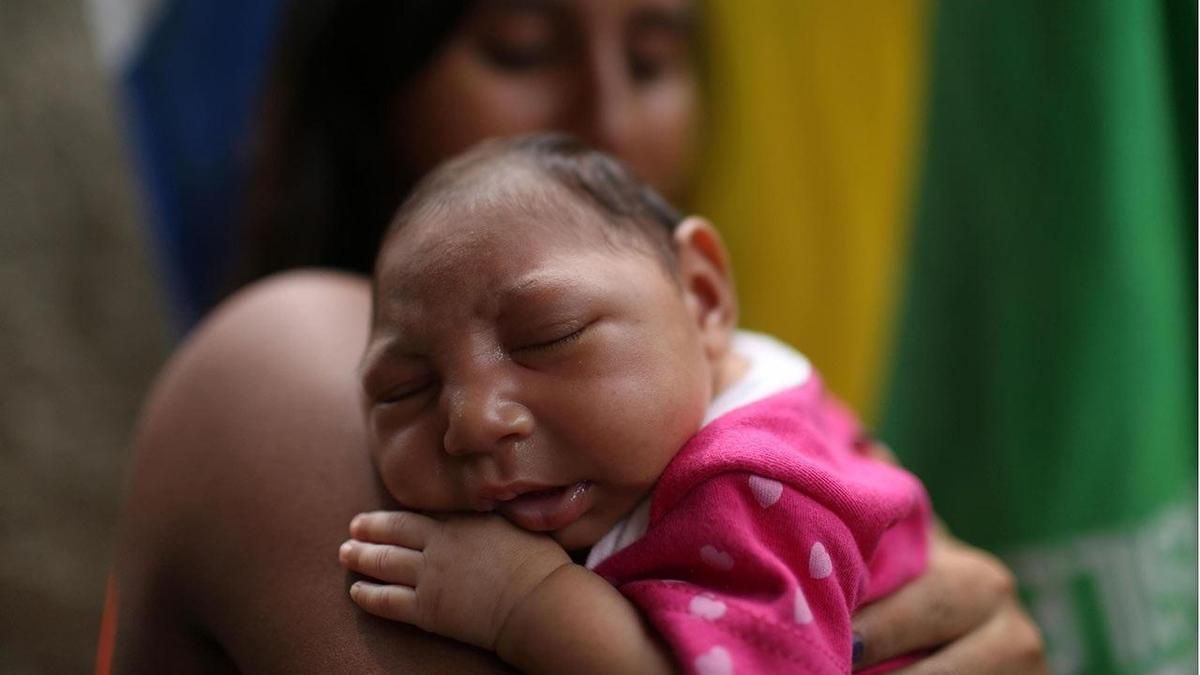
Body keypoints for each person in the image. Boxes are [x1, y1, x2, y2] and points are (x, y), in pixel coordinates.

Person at [107, 1, 1046, 673]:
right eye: (519, 48)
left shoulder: (750, 454)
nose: (608, 119)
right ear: (370, 72)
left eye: (650, 58)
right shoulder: (280, 358)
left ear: (707, 294)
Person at [337, 133, 932, 674]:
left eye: (549, 336)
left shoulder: (751, 484)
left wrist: (522, 600)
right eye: (405, 390)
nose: (471, 423)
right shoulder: (724, 368)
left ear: (701, 298)